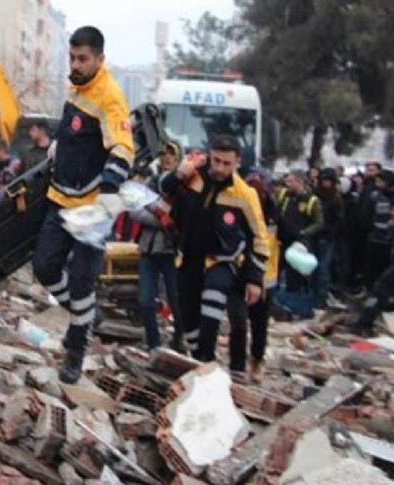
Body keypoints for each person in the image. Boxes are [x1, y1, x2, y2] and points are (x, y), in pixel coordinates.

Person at [31, 26, 135, 383]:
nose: (75, 64)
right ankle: (86, 315)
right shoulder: (76, 87)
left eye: (83, 59)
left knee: (81, 284)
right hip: (61, 197)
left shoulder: (110, 97)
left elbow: (123, 147)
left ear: (100, 59)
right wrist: (59, 144)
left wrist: (110, 188)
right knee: (44, 268)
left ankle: (75, 351)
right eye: (72, 58)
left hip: (91, 206)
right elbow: (75, 131)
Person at [160, 134, 269, 363]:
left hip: (222, 259)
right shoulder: (194, 177)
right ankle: (200, 358)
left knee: (214, 298)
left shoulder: (245, 194)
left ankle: (207, 360)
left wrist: (255, 279)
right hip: (188, 257)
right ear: (209, 156)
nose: (219, 168)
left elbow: (259, 237)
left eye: (226, 163)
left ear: (237, 162)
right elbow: (164, 190)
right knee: (188, 321)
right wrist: (180, 173)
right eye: (216, 160)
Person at [125, 141, 184, 352]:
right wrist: (162, 219)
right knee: (145, 300)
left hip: (172, 252)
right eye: (164, 154)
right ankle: (153, 344)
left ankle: (179, 338)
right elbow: (135, 210)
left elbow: (180, 215)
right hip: (149, 249)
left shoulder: (184, 185)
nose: (167, 158)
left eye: (172, 154)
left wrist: (158, 211)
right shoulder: (150, 181)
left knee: (177, 302)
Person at [226, 169, 279, 383]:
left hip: (263, 282)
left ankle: (257, 360)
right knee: (238, 324)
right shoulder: (235, 213)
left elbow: (293, 238)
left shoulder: (274, 218)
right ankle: (237, 368)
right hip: (237, 277)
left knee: (259, 327)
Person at [273, 171, 323, 318]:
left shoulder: (312, 200)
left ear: (299, 182)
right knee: (276, 271)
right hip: (282, 241)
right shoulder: (284, 196)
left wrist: (304, 232)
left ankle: (297, 307)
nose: (287, 185)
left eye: (290, 182)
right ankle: (278, 305)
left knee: (295, 277)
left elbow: (319, 222)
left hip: (299, 244)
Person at [312, 168, 343, 308]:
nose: (325, 183)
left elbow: (338, 220)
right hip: (314, 236)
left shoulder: (335, 199)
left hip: (327, 237)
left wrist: (331, 233)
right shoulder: (315, 196)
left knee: (323, 269)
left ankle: (321, 298)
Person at [363, 170, 394, 288]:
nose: (378, 184)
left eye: (380, 181)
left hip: (389, 241)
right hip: (375, 238)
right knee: (372, 268)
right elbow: (368, 214)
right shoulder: (375, 196)